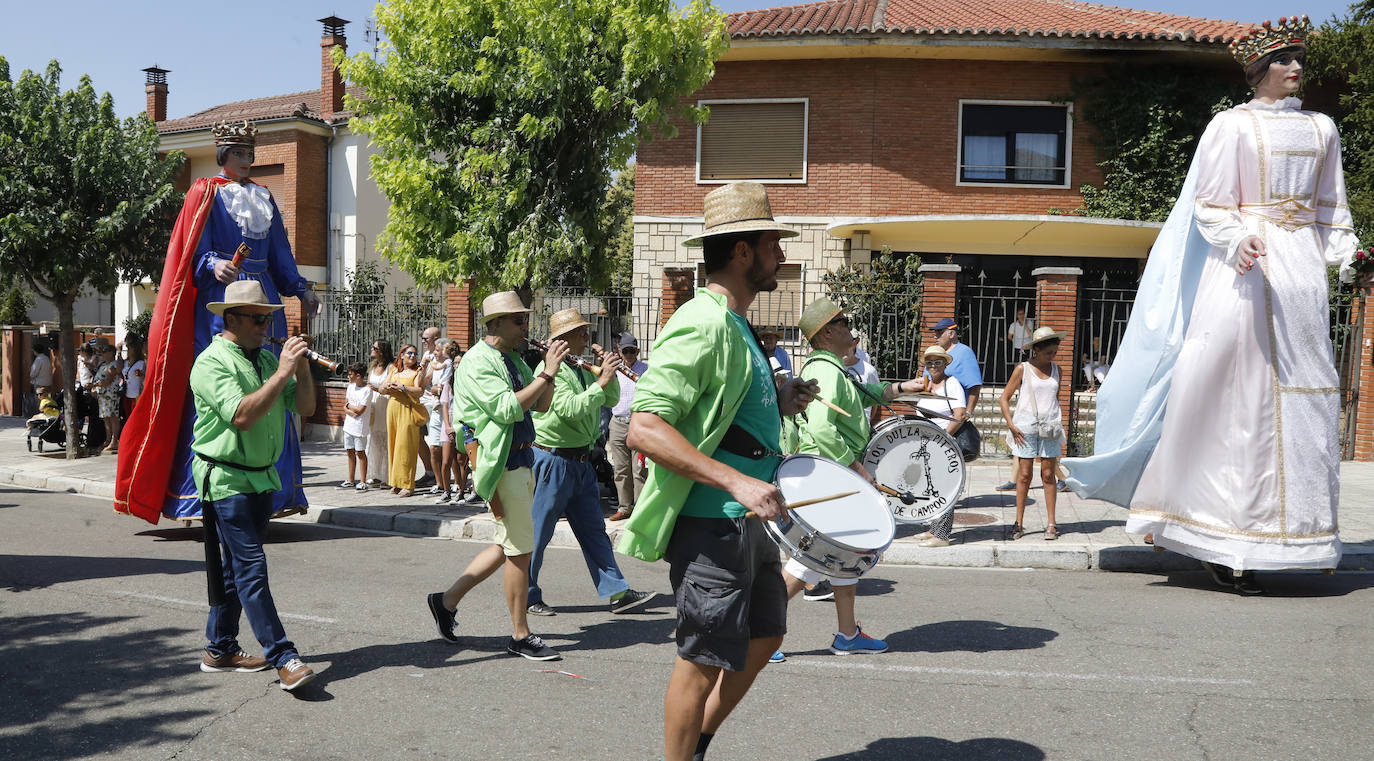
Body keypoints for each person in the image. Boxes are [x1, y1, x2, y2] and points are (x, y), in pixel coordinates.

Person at [1064, 16, 1360, 594]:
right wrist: (1239, 238)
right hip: (1245, 277)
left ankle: (1300, 537)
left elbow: (1331, 210)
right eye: (1282, 60)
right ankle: (1227, 542)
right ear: (1259, 69)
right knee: (1238, 401)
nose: (1294, 68)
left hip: (1301, 279)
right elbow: (1212, 205)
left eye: (1298, 59)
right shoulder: (1232, 126)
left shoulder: (1324, 128)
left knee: (1307, 403)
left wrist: (1348, 253)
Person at [616, 182, 818, 761]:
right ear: (742, 252)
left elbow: (719, 414)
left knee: (767, 636)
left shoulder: (737, 326)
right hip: (713, 520)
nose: (781, 253)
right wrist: (735, 481)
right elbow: (646, 428)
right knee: (702, 660)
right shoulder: (700, 323)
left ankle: (697, 742)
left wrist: (778, 397)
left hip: (749, 519)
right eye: (772, 242)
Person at [116, 120, 319, 524]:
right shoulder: (204, 192)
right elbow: (190, 252)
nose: (247, 160)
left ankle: (274, 491)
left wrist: (301, 288)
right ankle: (199, 494)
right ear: (224, 156)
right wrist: (214, 263)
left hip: (264, 299)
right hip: (222, 300)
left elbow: (280, 254)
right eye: (239, 154)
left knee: (272, 388)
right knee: (220, 390)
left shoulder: (264, 197)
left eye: (250, 154)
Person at [773, 297, 927, 662]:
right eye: (842, 321)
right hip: (832, 478)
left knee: (846, 553)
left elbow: (866, 395)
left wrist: (905, 387)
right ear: (827, 332)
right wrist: (859, 472)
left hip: (833, 476)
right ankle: (756, 633)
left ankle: (847, 634)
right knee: (810, 559)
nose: (850, 328)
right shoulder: (826, 371)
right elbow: (825, 431)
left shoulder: (833, 370)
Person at [426, 291, 568, 661]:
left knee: (508, 543)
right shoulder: (476, 361)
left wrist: (547, 374)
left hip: (522, 462)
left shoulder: (514, 360)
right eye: (518, 321)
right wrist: (548, 372)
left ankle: (446, 601)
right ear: (496, 324)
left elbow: (541, 404)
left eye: (525, 320)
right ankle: (520, 635)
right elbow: (506, 409)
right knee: (521, 550)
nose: (525, 327)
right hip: (500, 463)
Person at [189, 279, 316, 691]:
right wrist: (282, 371)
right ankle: (283, 655)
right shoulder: (211, 362)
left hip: (261, 476)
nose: (265, 325)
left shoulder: (265, 360)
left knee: (233, 571)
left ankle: (220, 648)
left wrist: (302, 367)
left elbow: (306, 406)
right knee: (251, 567)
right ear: (232, 319)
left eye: (268, 318)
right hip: (225, 478)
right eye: (258, 318)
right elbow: (242, 415)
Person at [523, 308, 654, 617]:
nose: (587, 337)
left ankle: (617, 592)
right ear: (564, 339)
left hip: (580, 461)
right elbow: (568, 409)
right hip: (553, 461)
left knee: (595, 530)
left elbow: (608, 400)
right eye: (581, 333)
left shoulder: (580, 367)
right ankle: (527, 594)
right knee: (537, 533)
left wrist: (607, 376)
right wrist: (603, 379)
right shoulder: (551, 369)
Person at [1002, 327, 1067, 541]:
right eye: (1048, 352)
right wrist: (1011, 424)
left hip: (1049, 428)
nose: (1052, 356)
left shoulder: (1057, 370)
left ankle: (1051, 523)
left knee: (1048, 475)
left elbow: (1054, 398)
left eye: (1054, 352)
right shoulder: (1023, 369)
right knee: (1024, 475)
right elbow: (1005, 398)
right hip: (1025, 428)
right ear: (1036, 350)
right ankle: (1018, 522)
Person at [908, 344, 970, 547]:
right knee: (930, 486)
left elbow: (960, 414)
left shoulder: (951, 383)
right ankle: (934, 528)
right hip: (926, 445)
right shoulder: (926, 385)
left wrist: (942, 437)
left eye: (937, 362)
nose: (933, 366)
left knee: (945, 488)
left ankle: (942, 535)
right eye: (929, 362)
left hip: (943, 444)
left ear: (945, 364)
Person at [606, 332, 649, 522]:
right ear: (619, 351)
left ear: (637, 351)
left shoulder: (646, 370)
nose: (629, 355)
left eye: (632, 351)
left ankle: (640, 509)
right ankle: (624, 507)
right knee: (620, 469)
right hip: (617, 423)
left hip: (638, 423)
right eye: (626, 351)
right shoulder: (614, 370)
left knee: (639, 469)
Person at [384, 344, 425, 497]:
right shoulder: (394, 370)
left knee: (406, 447)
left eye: (415, 353)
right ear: (401, 355)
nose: (412, 356)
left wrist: (402, 387)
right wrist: (388, 386)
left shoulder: (418, 371)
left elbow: (419, 391)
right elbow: (382, 388)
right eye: (409, 353)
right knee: (394, 445)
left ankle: (408, 484)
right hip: (393, 408)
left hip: (408, 409)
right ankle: (396, 482)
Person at [423, 338, 455, 502]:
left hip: (448, 410)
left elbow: (445, 386)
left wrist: (439, 389)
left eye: (437, 350)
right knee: (434, 447)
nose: (434, 353)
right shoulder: (434, 364)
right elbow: (425, 382)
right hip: (436, 409)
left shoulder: (448, 363)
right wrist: (424, 367)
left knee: (451, 452)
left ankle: (455, 483)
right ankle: (440, 483)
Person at [438, 340, 470, 502]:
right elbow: (444, 406)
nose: (457, 366)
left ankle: (462, 490)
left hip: (463, 424)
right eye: (455, 363)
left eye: (460, 363)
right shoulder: (448, 383)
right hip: (449, 424)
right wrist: (448, 426)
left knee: (461, 460)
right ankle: (446, 491)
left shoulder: (468, 382)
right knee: (446, 461)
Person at [415, 325, 445, 488]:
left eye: (426, 338)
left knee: (437, 444)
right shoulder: (427, 355)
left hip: (436, 406)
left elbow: (426, 381)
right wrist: (424, 366)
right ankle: (430, 472)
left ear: (435, 339)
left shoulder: (441, 357)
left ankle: (441, 477)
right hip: (422, 402)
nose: (423, 341)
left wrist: (425, 369)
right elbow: (420, 383)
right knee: (418, 437)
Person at [365, 340, 395, 486]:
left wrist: (376, 389)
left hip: (385, 403)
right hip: (374, 404)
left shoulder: (390, 367)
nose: (372, 349)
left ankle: (387, 476)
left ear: (381, 351)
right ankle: (375, 473)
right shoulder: (373, 366)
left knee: (385, 439)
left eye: (374, 348)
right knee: (374, 439)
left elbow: (389, 387)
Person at [340, 362, 371, 490]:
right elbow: (345, 405)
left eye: (350, 374)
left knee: (360, 452)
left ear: (358, 375)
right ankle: (351, 479)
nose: (349, 377)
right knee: (350, 452)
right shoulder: (350, 387)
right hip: (349, 425)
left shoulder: (367, 390)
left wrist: (350, 408)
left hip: (359, 426)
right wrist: (350, 410)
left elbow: (360, 410)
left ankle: (363, 481)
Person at [92, 343, 123, 454]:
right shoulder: (103, 365)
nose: (102, 354)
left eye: (105, 351)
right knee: (106, 418)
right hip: (103, 396)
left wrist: (97, 385)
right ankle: (108, 439)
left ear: (111, 353)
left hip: (111, 394)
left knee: (113, 417)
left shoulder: (114, 364)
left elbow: (108, 380)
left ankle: (114, 440)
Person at [27, 339, 53, 418]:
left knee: (39, 401)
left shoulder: (38, 359)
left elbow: (33, 373)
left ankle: (40, 415)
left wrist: (31, 377)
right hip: (48, 382)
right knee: (47, 400)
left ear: (35, 351)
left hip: (39, 382)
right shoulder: (47, 358)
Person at [121, 339, 145, 420]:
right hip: (126, 394)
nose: (127, 350)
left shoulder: (141, 363)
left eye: (129, 348)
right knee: (128, 417)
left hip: (136, 395)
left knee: (135, 418)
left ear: (135, 350)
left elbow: (144, 376)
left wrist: (141, 374)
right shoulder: (125, 362)